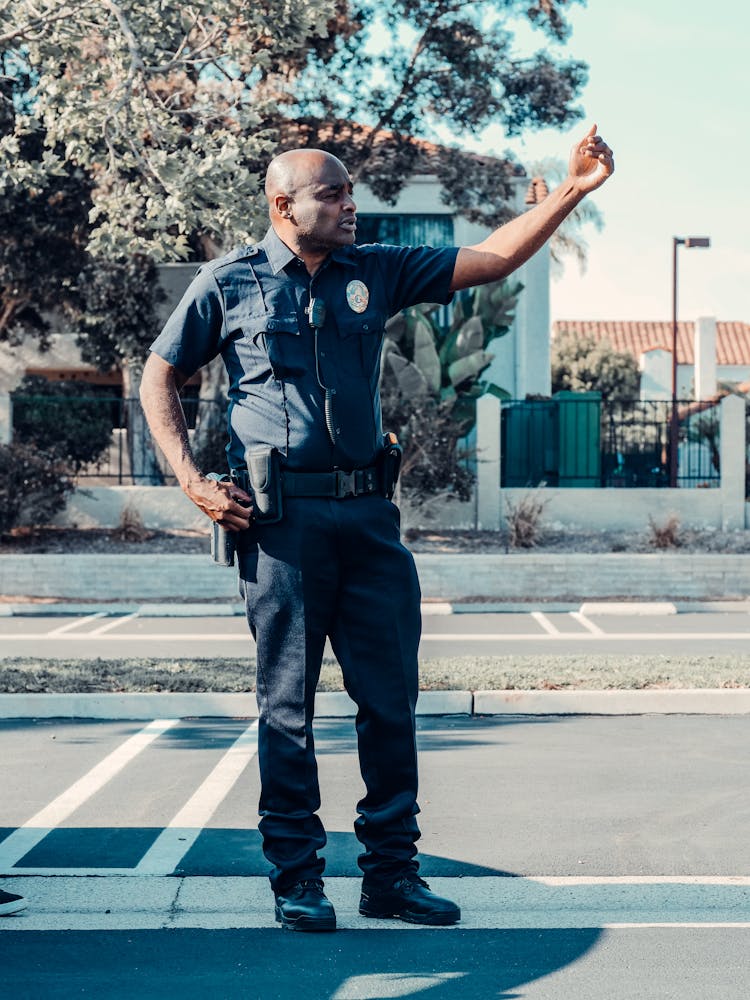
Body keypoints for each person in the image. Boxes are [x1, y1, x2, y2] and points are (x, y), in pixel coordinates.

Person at [140, 124, 614, 931]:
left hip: (369, 518)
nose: (351, 203)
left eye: (352, 191)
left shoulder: (377, 269)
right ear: (283, 204)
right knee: (286, 707)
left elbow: (494, 259)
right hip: (281, 525)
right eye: (333, 193)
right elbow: (161, 373)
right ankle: (298, 880)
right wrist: (193, 483)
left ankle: (391, 876)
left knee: (390, 703)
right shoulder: (231, 283)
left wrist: (570, 190)